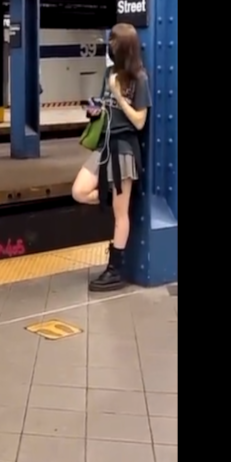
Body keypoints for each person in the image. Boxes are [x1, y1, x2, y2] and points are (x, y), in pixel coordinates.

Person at [70, 23, 152, 292]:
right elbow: (106, 105)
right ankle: (105, 197)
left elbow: (140, 121)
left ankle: (114, 267)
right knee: (79, 191)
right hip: (104, 144)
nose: (110, 46)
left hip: (124, 147)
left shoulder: (139, 78)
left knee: (121, 213)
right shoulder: (108, 72)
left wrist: (118, 94)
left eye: (114, 42)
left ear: (124, 47)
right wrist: (96, 108)